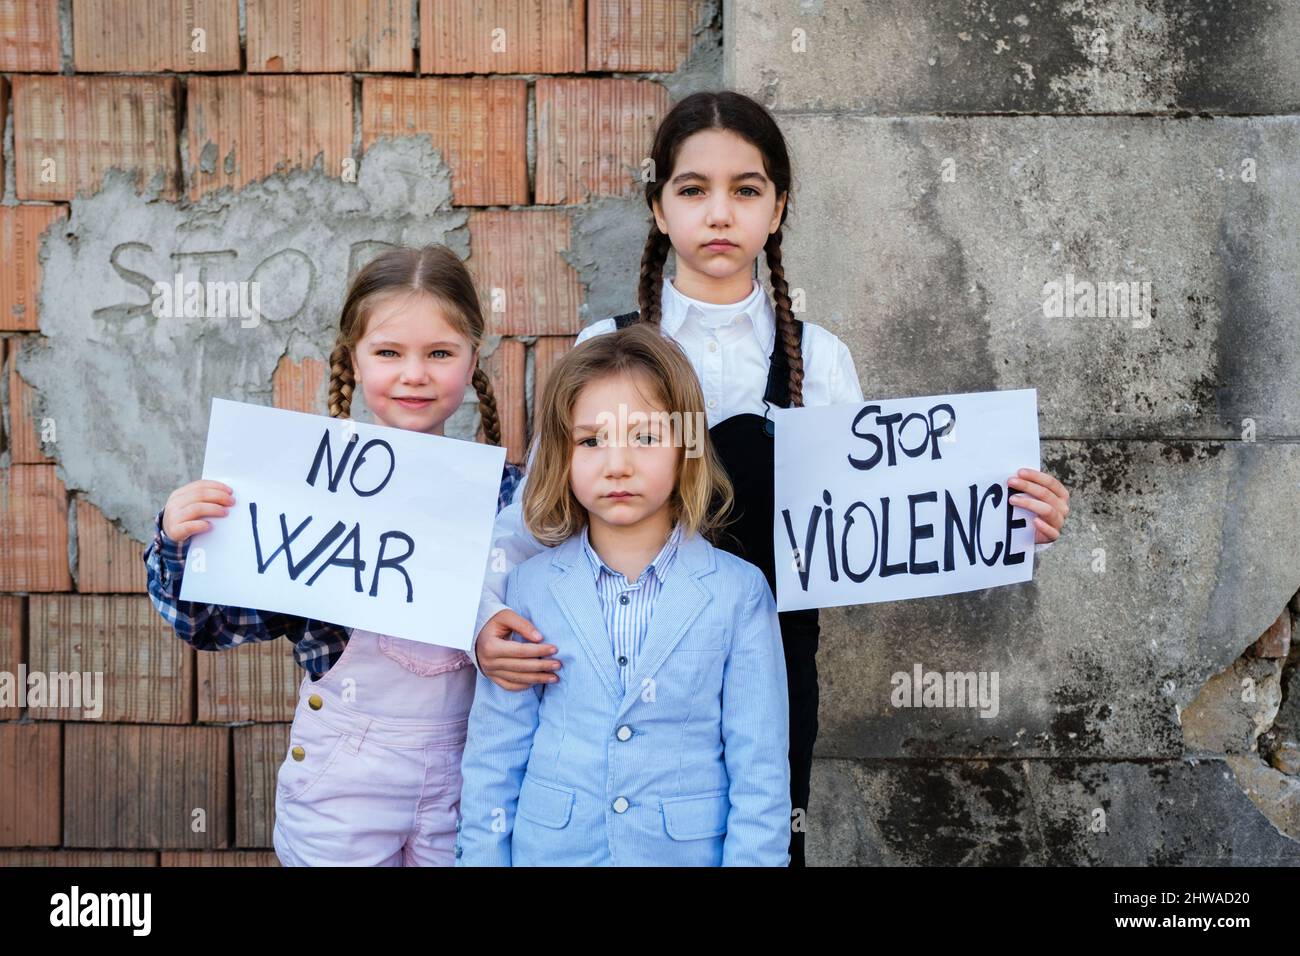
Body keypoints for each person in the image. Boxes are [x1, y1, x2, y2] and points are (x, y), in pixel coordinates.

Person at [472, 90, 1072, 866]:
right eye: (693, 190)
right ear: (658, 208)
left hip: (773, 666)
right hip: (606, 665)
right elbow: (533, 521)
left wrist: (1007, 519)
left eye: (746, 190)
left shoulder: (817, 361)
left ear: (778, 208)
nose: (719, 213)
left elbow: (887, 521)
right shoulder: (609, 347)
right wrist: (483, 621)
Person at [143, 245, 522, 866]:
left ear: (473, 358)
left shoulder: (511, 497)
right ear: (354, 358)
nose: (415, 374)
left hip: (472, 774)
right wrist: (178, 542)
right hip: (341, 786)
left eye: (440, 353)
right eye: (389, 352)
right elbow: (210, 625)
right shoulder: (304, 490)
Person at [457, 324, 790, 866]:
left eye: (646, 437)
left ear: (685, 447)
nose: (618, 464)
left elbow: (761, 773)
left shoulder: (739, 592)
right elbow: (494, 758)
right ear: (563, 455)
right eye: (591, 441)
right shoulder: (527, 588)